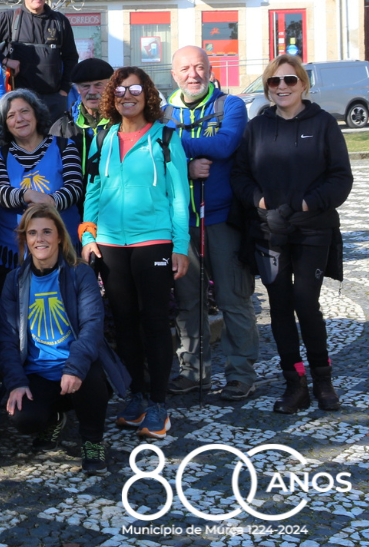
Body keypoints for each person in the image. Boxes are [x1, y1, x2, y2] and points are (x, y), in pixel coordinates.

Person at [231, 55, 352, 414]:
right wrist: (260, 200)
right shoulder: (257, 127)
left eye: (289, 80)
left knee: (306, 303)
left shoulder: (324, 123)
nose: (282, 87)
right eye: (274, 81)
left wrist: (306, 204)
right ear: (268, 87)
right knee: (280, 307)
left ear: (303, 84)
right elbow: (240, 175)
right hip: (269, 232)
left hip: (313, 230)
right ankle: (294, 381)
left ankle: (322, 379)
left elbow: (341, 177)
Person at [79, 67, 190, 440]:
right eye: (120, 90)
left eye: (135, 89)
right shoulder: (102, 137)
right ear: (112, 96)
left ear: (148, 95)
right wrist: (88, 235)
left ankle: (158, 404)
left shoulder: (166, 138)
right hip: (111, 243)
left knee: (154, 322)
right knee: (124, 323)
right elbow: (93, 189)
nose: (127, 95)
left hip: (153, 241)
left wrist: (180, 246)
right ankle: (137, 396)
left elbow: (179, 197)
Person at [0, 203, 129, 476]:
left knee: (90, 376)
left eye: (47, 231)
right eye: (32, 233)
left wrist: (74, 367)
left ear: (59, 236)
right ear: (25, 239)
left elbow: (92, 327)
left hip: (78, 366)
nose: (40, 239)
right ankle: (54, 417)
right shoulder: (14, 280)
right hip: (38, 371)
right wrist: (16, 382)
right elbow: (7, 338)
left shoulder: (79, 272)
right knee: (23, 419)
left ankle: (92, 441)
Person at [164, 46, 258, 401]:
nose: (194, 74)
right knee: (188, 302)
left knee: (234, 299)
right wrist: (187, 164)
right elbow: (155, 154)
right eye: (185, 68)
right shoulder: (162, 111)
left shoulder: (230, 105)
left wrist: (175, 143)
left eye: (200, 67)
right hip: (180, 222)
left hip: (221, 218)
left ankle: (241, 374)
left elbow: (225, 145)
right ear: (174, 75)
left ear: (210, 69)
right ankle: (194, 372)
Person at [0, 89, 84, 300]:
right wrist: (28, 195)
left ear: (36, 114)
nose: (19, 119)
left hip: (63, 246)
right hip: (14, 252)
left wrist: (50, 201)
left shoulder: (65, 146)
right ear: (5, 123)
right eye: (11, 115)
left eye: (24, 111)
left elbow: (75, 186)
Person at [0, 0, 78, 123]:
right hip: (21, 101)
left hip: (54, 100)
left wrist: (64, 90)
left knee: (56, 138)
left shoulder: (59, 21)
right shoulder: (10, 19)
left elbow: (71, 57)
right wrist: (4, 60)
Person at [49, 58, 114, 167]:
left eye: (98, 85)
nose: (92, 92)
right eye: (86, 86)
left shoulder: (122, 123)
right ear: (77, 89)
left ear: (110, 86)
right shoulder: (62, 128)